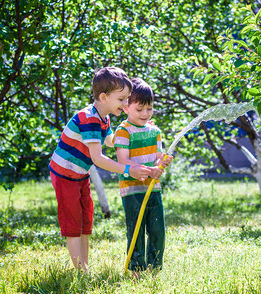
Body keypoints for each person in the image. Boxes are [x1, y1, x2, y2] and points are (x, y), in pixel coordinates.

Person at [49, 67, 150, 271]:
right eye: (122, 99)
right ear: (104, 97)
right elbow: (98, 158)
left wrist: (132, 128)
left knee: (85, 220)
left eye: (127, 99)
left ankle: (83, 267)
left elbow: (112, 141)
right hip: (64, 175)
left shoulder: (104, 118)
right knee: (73, 222)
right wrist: (127, 170)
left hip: (80, 175)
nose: (126, 103)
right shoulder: (89, 119)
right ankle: (81, 271)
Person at [114, 78, 173, 275]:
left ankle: (154, 268)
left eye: (149, 109)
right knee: (137, 231)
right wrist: (150, 169)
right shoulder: (123, 131)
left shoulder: (155, 131)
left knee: (157, 230)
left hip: (153, 189)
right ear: (126, 108)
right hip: (132, 191)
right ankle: (136, 270)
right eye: (139, 110)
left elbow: (158, 158)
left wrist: (161, 164)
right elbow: (123, 160)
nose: (145, 114)